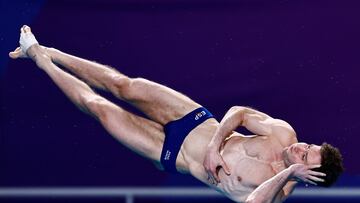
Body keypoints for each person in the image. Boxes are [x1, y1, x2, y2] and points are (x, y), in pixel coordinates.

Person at [10, 25, 344, 203]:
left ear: (307, 175)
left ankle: (40, 58)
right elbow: (239, 112)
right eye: (308, 145)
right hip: (196, 120)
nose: (300, 147)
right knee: (123, 85)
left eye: (305, 157)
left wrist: (287, 174)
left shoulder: (278, 191)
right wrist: (216, 144)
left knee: (100, 109)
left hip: (174, 155)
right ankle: (52, 50)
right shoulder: (284, 133)